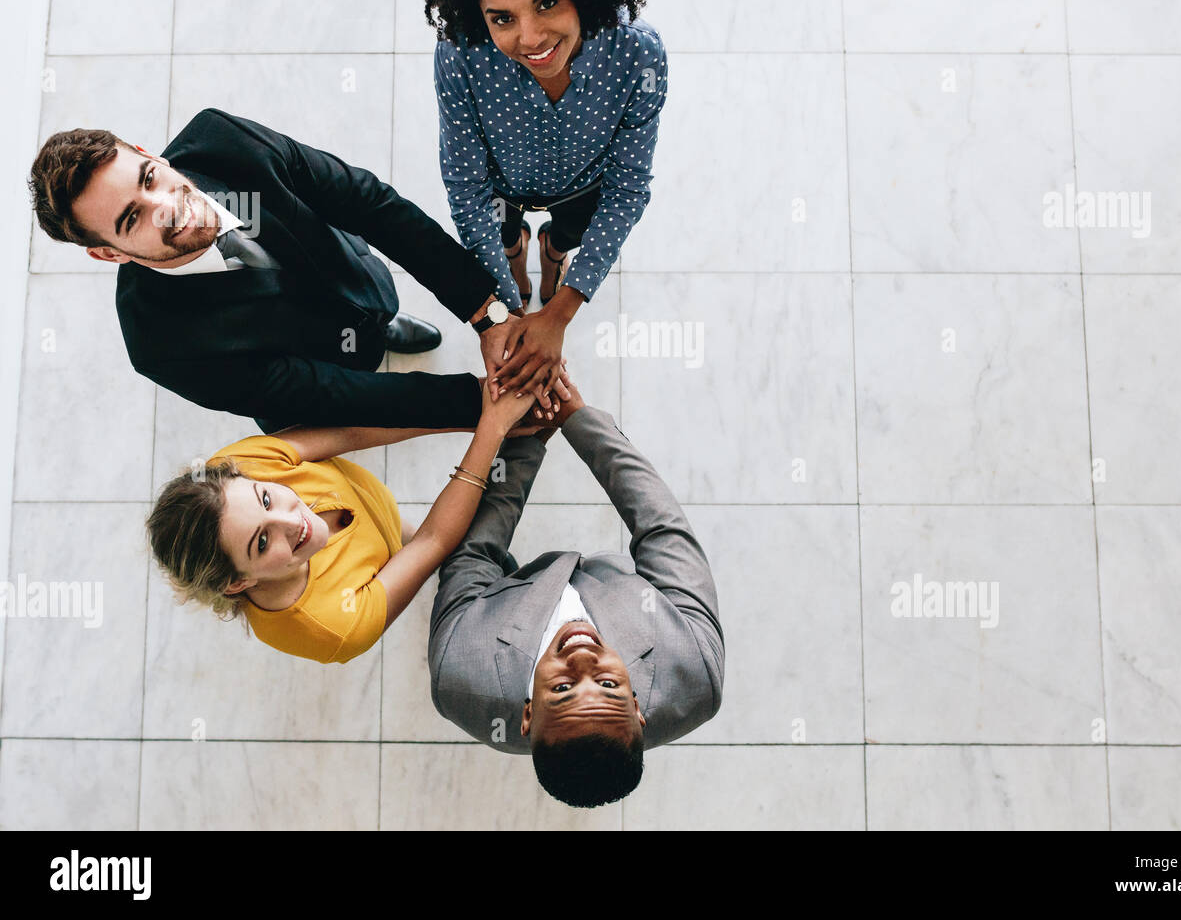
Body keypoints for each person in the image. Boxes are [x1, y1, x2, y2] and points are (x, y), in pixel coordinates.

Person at [28, 108, 563, 435]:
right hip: (315, 368)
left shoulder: (222, 142)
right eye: (131, 218)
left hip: (354, 277)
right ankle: (376, 344)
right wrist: (483, 400)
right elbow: (325, 392)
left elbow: (370, 205)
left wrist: (488, 315)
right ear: (109, 254)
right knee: (357, 372)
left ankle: (384, 329)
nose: (167, 206)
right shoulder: (158, 345)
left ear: (150, 154)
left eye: (148, 178)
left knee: (380, 316)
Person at [423, 0, 668, 408]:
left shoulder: (638, 52)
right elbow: (467, 189)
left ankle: (552, 257)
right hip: (501, 189)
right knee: (506, 239)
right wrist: (510, 315)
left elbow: (628, 187)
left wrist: (559, 313)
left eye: (548, 3)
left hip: (586, 186)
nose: (529, 38)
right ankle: (520, 258)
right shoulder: (461, 53)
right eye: (502, 18)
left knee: (564, 239)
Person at [428, 372, 724, 808]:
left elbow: (475, 554)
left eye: (562, 689)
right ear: (639, 710)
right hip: (617, 583)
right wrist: (574, 418)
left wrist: (527, 437)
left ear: (527, 715)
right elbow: (662, 529)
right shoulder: (695, 673)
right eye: (608, 683)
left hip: (513, 590)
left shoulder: (460, 675)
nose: (582, 655)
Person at [145, 377, 538, 664]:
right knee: (423, 550)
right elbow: (432, 542)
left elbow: (351, 431)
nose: (292, 518)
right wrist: (493, 428)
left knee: (406, 533)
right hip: (389, 554)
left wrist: (474, 412)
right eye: (262, 543)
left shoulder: (239, 467)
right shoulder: (333, 627)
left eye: (266, 497)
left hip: (377, 508)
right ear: (239, 583)